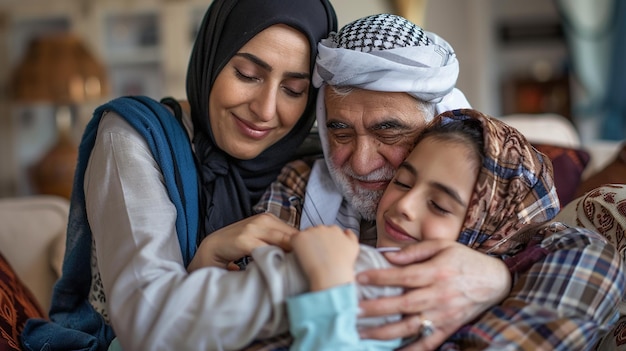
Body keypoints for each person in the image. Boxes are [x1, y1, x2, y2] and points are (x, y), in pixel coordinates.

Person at [249, 13, 626, 350]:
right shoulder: (301, 185)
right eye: (341, 132)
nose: (361, 164)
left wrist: (498, 276)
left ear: (437, 124)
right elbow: (248, 302)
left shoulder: (503, 203)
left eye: (389, 131)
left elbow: (586, 262)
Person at [20, 1, 337, 350]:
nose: (265, 110)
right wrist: (321, 283)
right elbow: (148, 317)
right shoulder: (134, 136)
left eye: (293, 90)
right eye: (247, 74)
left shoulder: (318, 160)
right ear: (212, 57)